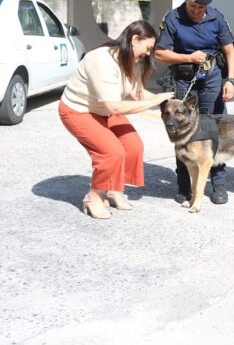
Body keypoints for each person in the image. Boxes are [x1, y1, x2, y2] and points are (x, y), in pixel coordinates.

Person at [59, 20, 174, 219]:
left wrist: (168, 101)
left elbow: (138, 93)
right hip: (79, 110)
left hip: (104, 110)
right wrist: (153, 102)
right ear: (135, 39)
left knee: (133, 146)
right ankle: (94, 196)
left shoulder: (130, 60)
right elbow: (115, 106)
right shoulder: (102, 60)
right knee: (111, 152)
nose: (148, 54)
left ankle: (113, 189)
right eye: (147, 48)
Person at [155, 0, 234, 206]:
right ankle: (184, 185)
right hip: (184, 79)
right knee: (181, 130)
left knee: (214, 128)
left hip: (211, 78)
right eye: (193, 6)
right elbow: (160, 53)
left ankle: (218, 183)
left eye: (202, 7)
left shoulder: (216, 17)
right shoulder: (173, 18)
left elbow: (230, 51)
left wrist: (231, 80)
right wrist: (188, 57)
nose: (197, 11)